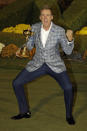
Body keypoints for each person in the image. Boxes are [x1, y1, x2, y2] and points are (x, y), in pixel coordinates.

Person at [11, 5, 75, 125]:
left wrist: (70, 40)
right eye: (43, 15)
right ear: (40, 17)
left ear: (52, 17)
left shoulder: (59, 31)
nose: (45, 17)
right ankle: (24, 111)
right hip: (37, 64)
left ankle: (68, 115)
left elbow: (68, 51)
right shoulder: (34, 28)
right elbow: (29, 44)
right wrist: (21, 49)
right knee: (16, 83)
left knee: (68, 88)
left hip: (55, 65)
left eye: (48, 15)